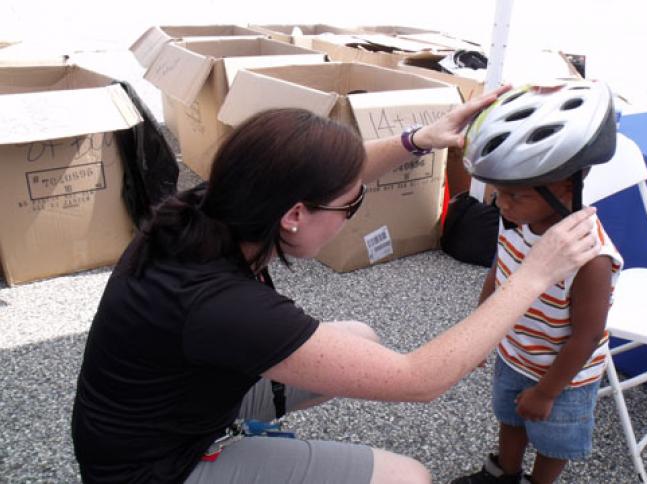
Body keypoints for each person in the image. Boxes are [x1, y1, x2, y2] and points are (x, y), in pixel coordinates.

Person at [71, 85, 602, 484]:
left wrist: (418, 140)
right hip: (154, 468)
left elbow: (327, 178)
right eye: (352, 206)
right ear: (295, 215)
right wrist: (534, 275)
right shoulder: (226, 307)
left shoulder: (214, 205)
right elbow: (419, 380)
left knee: (360, 336)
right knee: (408, 477)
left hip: (157, 410)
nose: (354, 213)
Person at [450, 80, 624, 484]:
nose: (501, 205)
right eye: (499, 193)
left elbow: (586, 335)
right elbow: (499, 273)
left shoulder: (590, 258)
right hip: (515, 355)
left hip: (563, 376)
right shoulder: (516, 222)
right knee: (510, 419)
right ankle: (503, 473)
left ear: (567, 187)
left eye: (515, 196)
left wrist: (547, 391)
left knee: (551, 441)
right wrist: (479, 334)